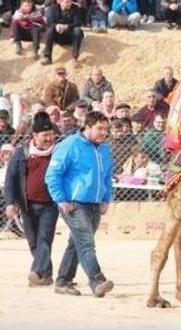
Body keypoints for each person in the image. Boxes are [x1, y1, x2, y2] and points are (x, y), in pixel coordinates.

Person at [45, 111, 115, 297]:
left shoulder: (104, 149)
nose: (103, 133)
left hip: (95, 205)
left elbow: (108, 177)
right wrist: (61, 200)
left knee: (77, 243)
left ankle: (62, 281)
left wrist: (106, 199)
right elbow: (52, 175)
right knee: (86, 243)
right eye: (99, 128)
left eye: (106, 129)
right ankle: (97, 280)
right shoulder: (69, 146)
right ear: (87, 127)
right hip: (74, 205)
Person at [4, 112, 58, 287]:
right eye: (45, 135)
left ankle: (35, 271)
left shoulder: (57, 152)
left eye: (51, 135)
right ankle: (46, 274)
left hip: (50, 205)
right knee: (34, 242)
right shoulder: (22, 152)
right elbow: (10, 178)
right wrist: (10, 203)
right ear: (35, 135)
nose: (49, 138)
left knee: (44, 239)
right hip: (27, 205)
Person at [42, 0, 84, 65]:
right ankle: (47, 57)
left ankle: (74, 58)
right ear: (60, 2)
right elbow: (49, 22)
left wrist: (66, 26)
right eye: (66, 2)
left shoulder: (75, 8)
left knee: (78, 30)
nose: (69, 4)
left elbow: (78, 22)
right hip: (58, 35)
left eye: (70, 1)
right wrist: (56, 26)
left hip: (70, 36)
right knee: (50, 30)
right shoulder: (53, 8)